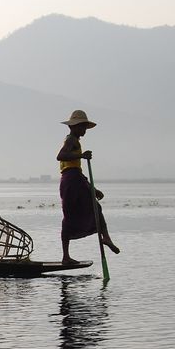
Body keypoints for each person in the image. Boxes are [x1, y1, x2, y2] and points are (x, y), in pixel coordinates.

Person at [56, 110, 120, 264]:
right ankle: (66, 256)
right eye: (83, 127)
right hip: (71, 181)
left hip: (74, 179)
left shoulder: (75, 140)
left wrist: (92, 188)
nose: (84, 130)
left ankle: (105, 238)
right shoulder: (71, 140)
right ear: (75, 127)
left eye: (85, 127)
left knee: (92, 209)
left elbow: (76, 169)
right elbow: (61, 156)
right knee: (77, 214)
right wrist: (81, 155)